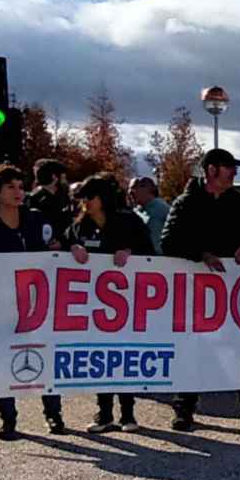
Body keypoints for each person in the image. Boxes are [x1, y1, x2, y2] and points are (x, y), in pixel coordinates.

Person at [161, 148, 240, 431]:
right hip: (195, 291)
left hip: (234, 290)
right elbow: (169, 242)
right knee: (193, 348)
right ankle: (184, 408)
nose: (234, 173)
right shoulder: (186, 203)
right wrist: (202, 254)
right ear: (211, 170)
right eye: (229, 168)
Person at [0, 164, 65, 440]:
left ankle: (54, 414)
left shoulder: (35, 218)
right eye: (10, 187)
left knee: (45, 354)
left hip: (35, 303)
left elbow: (53, 248)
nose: (18, 192)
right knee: (0, 357)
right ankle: (9, 419)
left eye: (20, 186)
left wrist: (60, 247)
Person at [63, 175, 156, 432]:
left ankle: (128, 414)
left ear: (102, 198)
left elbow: (152, 255)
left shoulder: (128, 222)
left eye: (89, 198)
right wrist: (73, 248)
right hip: (93, 305)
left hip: (127, 303)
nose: (85, 203)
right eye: (81, 198)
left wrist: (130, 253)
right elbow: (62, 243)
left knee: (123, 355)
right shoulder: (80, 226)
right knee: (99, 357)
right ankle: (104, 413)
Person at [26, 158, 71, 246]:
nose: (65, 180)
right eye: (63, 177)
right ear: (54, 177)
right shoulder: (34, 199)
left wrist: (63, 242)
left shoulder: (64, 196)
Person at [128, 176, 170, 254]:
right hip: (140, 261)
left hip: (161, 261)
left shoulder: (162, 208)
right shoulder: (135, 212)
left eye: (134, 187)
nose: (130, 192)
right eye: (129, 188)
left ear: (148, 188)